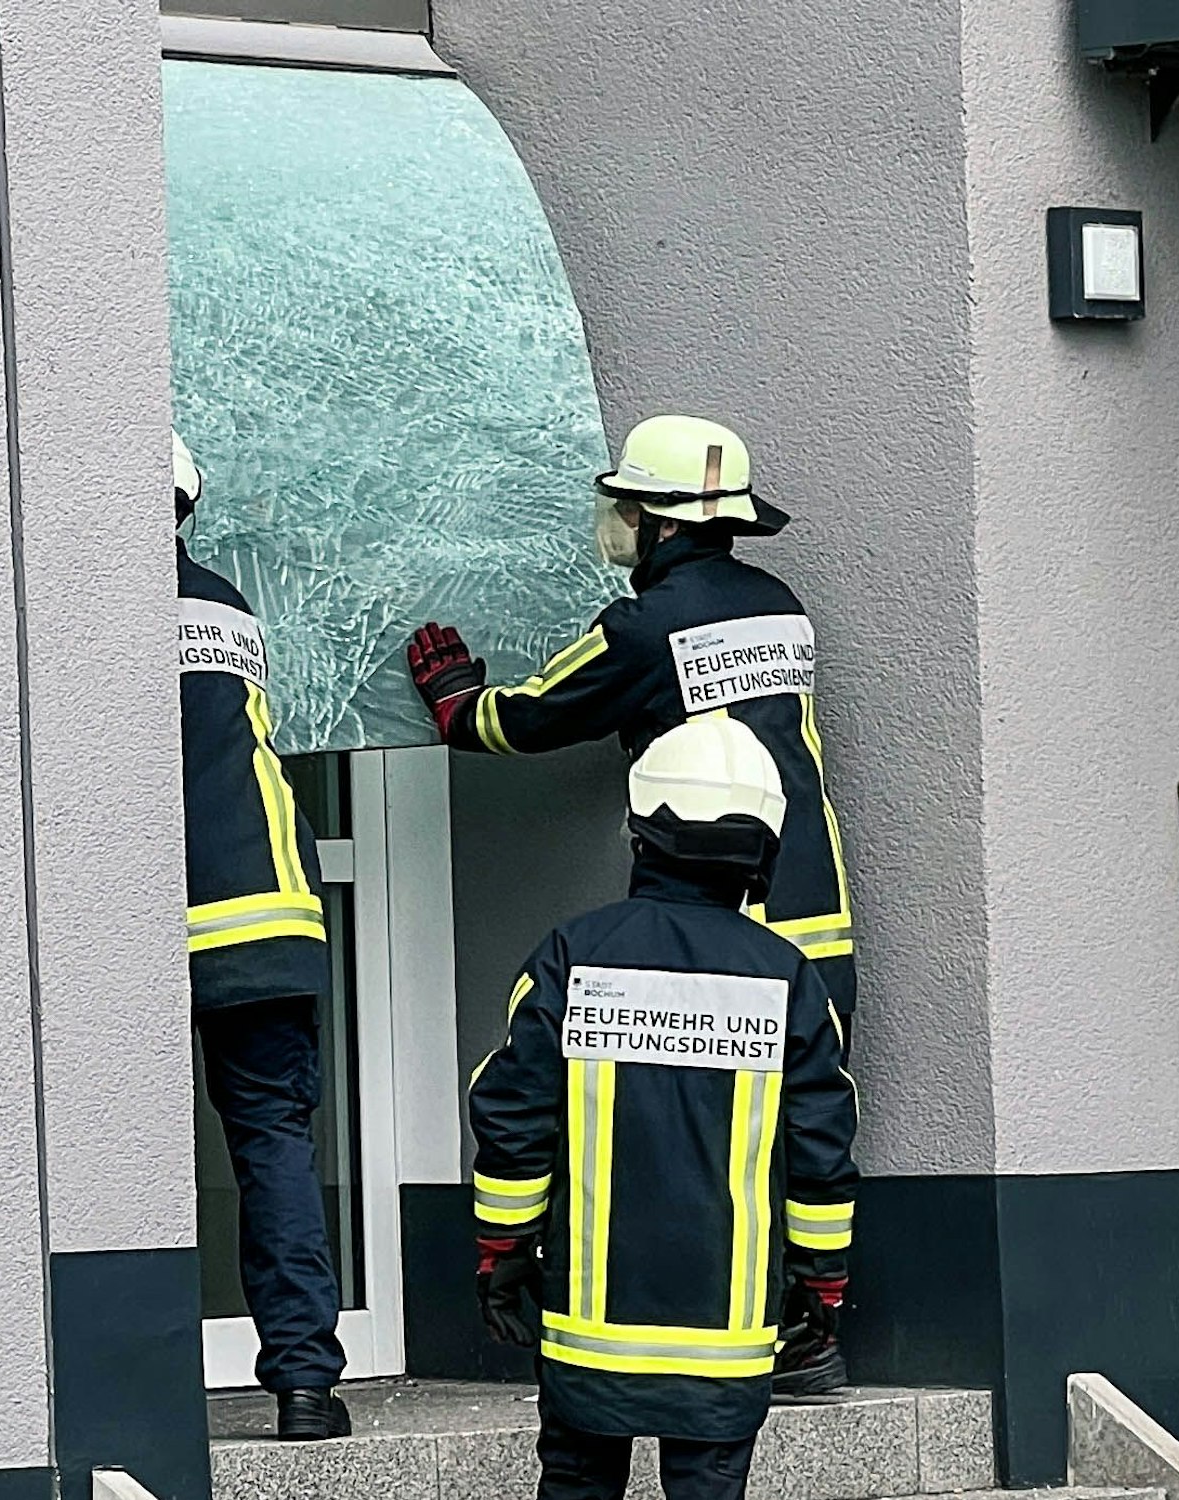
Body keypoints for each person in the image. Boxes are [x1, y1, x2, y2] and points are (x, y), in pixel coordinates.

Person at [408, 414, 858, 1393]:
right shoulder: (778, 606)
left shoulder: (648, 625)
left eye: (621, 504)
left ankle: (685, 1345)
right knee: (787, 1134)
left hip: (714, 925)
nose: (608, 519)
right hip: (813, 917)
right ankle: (804, 1335)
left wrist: (454, 702)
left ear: (656, 522)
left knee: (680, 1128)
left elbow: (531, 716)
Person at [468, 716, 859, 1500]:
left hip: (589, 1330)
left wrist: (501, 1252)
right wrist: (821, 1282)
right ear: (764, 849)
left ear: (641, 832)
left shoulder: (572, 957)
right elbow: (822, 1149)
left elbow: (514, 1117)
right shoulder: (787, 980)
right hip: (724, 1337)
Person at [175, 432, 351, 1440]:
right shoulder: (227, 608)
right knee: (274, 1146)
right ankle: (304, 1387)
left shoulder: (87, 607)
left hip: (165, 918)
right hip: (275, 912)